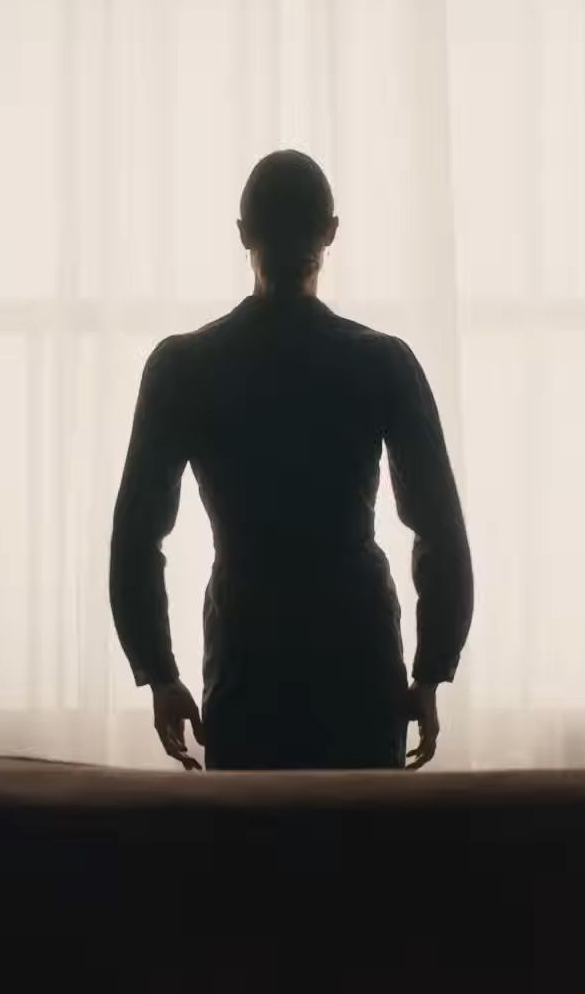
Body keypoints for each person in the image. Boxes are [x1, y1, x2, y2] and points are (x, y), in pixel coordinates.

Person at [109, 150, 474, 771]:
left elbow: (137, 535)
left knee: (253, 832)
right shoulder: (381, 361)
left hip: (247, 653)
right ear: (331, 231)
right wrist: (431, 670)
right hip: (357, 649)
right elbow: (437, 525)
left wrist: (159, 674)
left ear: (243, 233)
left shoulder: (183, 366)